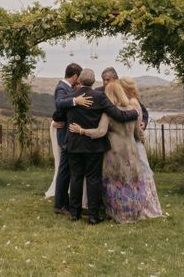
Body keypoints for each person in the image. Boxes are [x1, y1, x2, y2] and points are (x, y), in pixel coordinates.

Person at [69, 79, 162, 223]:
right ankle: (133, 212)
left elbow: (100, 132)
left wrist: (81, 130)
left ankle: (118, 213)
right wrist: (142, 141)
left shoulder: (108, 114)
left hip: (114, 153)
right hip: (131, 152)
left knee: (115, 182)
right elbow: (139, 133)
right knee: (131, 181)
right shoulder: (133, 111)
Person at [56, 69, 140, 224]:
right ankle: (93, 216)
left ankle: (75, 213)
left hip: (74, 143)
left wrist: (70, 110)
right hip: (93, 146)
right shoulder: (100, 97)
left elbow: (57, 115)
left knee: (76, 177)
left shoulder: (70, 97)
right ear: (94, 82)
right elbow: (118, 114)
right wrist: (135, 113)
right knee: (93, 179)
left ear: (79, 81)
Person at [47, 63, 92, 213]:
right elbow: (59, 103)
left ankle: (63, 202)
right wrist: (76, 101)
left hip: (67, 132)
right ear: (75, 76)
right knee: (64, 170)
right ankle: (60, 205)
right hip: (65, 136)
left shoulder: (67, 88)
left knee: (66, 170)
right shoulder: (62, 87)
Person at [119, 77, 162, 219]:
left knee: (140, 174)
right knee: (140, 174)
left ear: (125, 88)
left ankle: (145, 207)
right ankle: (141, 206)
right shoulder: (135, 100)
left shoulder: (131, 102)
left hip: (134, 143)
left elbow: (136, 127)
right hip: (136, 142)